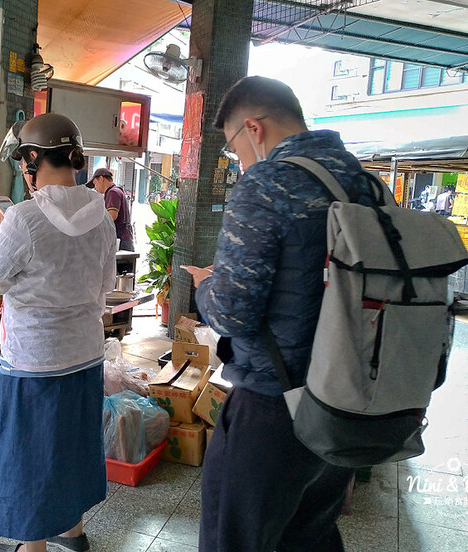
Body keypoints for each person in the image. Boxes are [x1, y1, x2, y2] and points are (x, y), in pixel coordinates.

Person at [182, 76, 378, 552]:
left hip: (275, 406)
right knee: (310, 536)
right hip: (347, 400)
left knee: (235, 539)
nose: (239, 161)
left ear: (254, 128)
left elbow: (232, 312)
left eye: (233, 148)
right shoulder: (364, 183)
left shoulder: (268, 183)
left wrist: (205, 284)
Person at [0, 113, 115, 552]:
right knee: (71, 443)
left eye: (23, 161)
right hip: (86, 352)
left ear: (33, 158)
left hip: (35, 358)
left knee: (29, 452)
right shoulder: (102, 217)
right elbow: (106, 285)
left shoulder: (23, 218)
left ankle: (31, 547)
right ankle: (71, 532)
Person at [90, 167, 134, 251]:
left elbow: (111, 216)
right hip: (125, 239)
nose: (95, 188)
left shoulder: (112, 192)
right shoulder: (117, 191)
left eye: (95, 183)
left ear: (101, 178)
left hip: (121, 241)